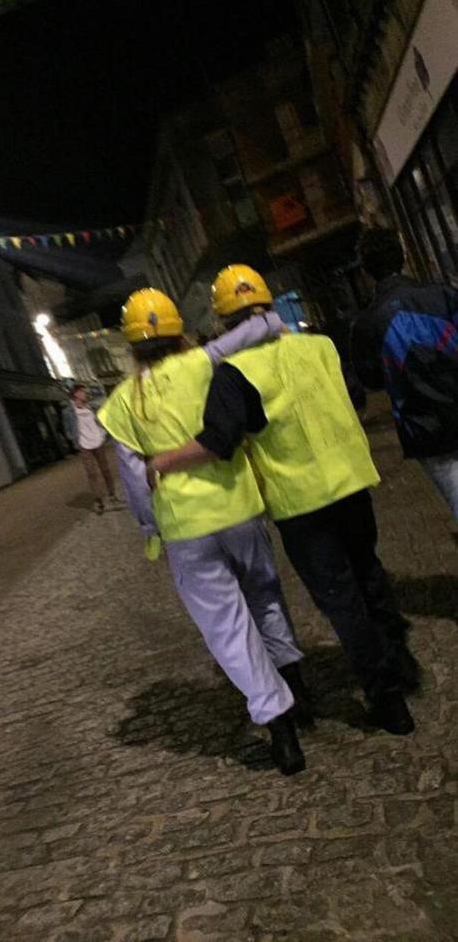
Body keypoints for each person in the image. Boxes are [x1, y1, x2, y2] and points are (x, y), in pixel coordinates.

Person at [148, 265, 418, 736]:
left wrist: (164, 461)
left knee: (341, 599)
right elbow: (353, 397)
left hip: (302, 504)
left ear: (226, 321)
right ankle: (401, 661)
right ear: (269, 306)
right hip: (353, 483)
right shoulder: (321, 347)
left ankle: (386, 698)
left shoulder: (235, 374)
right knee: (369, 574)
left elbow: (218, 441)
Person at [99, 287, 309, 776]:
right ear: (177, 332)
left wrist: (150, 526)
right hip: (239, 508)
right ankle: (299, 686)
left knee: (228, 629)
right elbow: (257, 328)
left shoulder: (123, 403)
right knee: (265, 595)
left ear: (131, 347)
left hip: (185, 528)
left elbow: (134, 479)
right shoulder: (205, 361)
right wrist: (268, 318)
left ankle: (281, 729)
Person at [352, 226, 458, 519]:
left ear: (366, 271)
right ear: (403, 255)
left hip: (425, 428)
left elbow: (371, 378)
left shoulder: (366, 324)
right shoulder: (443, 295)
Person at [62, 384, 124, 514]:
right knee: (92, 473)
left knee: (105, 470)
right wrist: (75, 439)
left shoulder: (92, 407)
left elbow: (101, 420)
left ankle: (112, 496)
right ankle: (100, 501)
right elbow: (67, 429)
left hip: (98, 441)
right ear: (76, 394)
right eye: (83, 392)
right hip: (84, 445)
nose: (86, 394)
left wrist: (103, 433)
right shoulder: (68, 412)